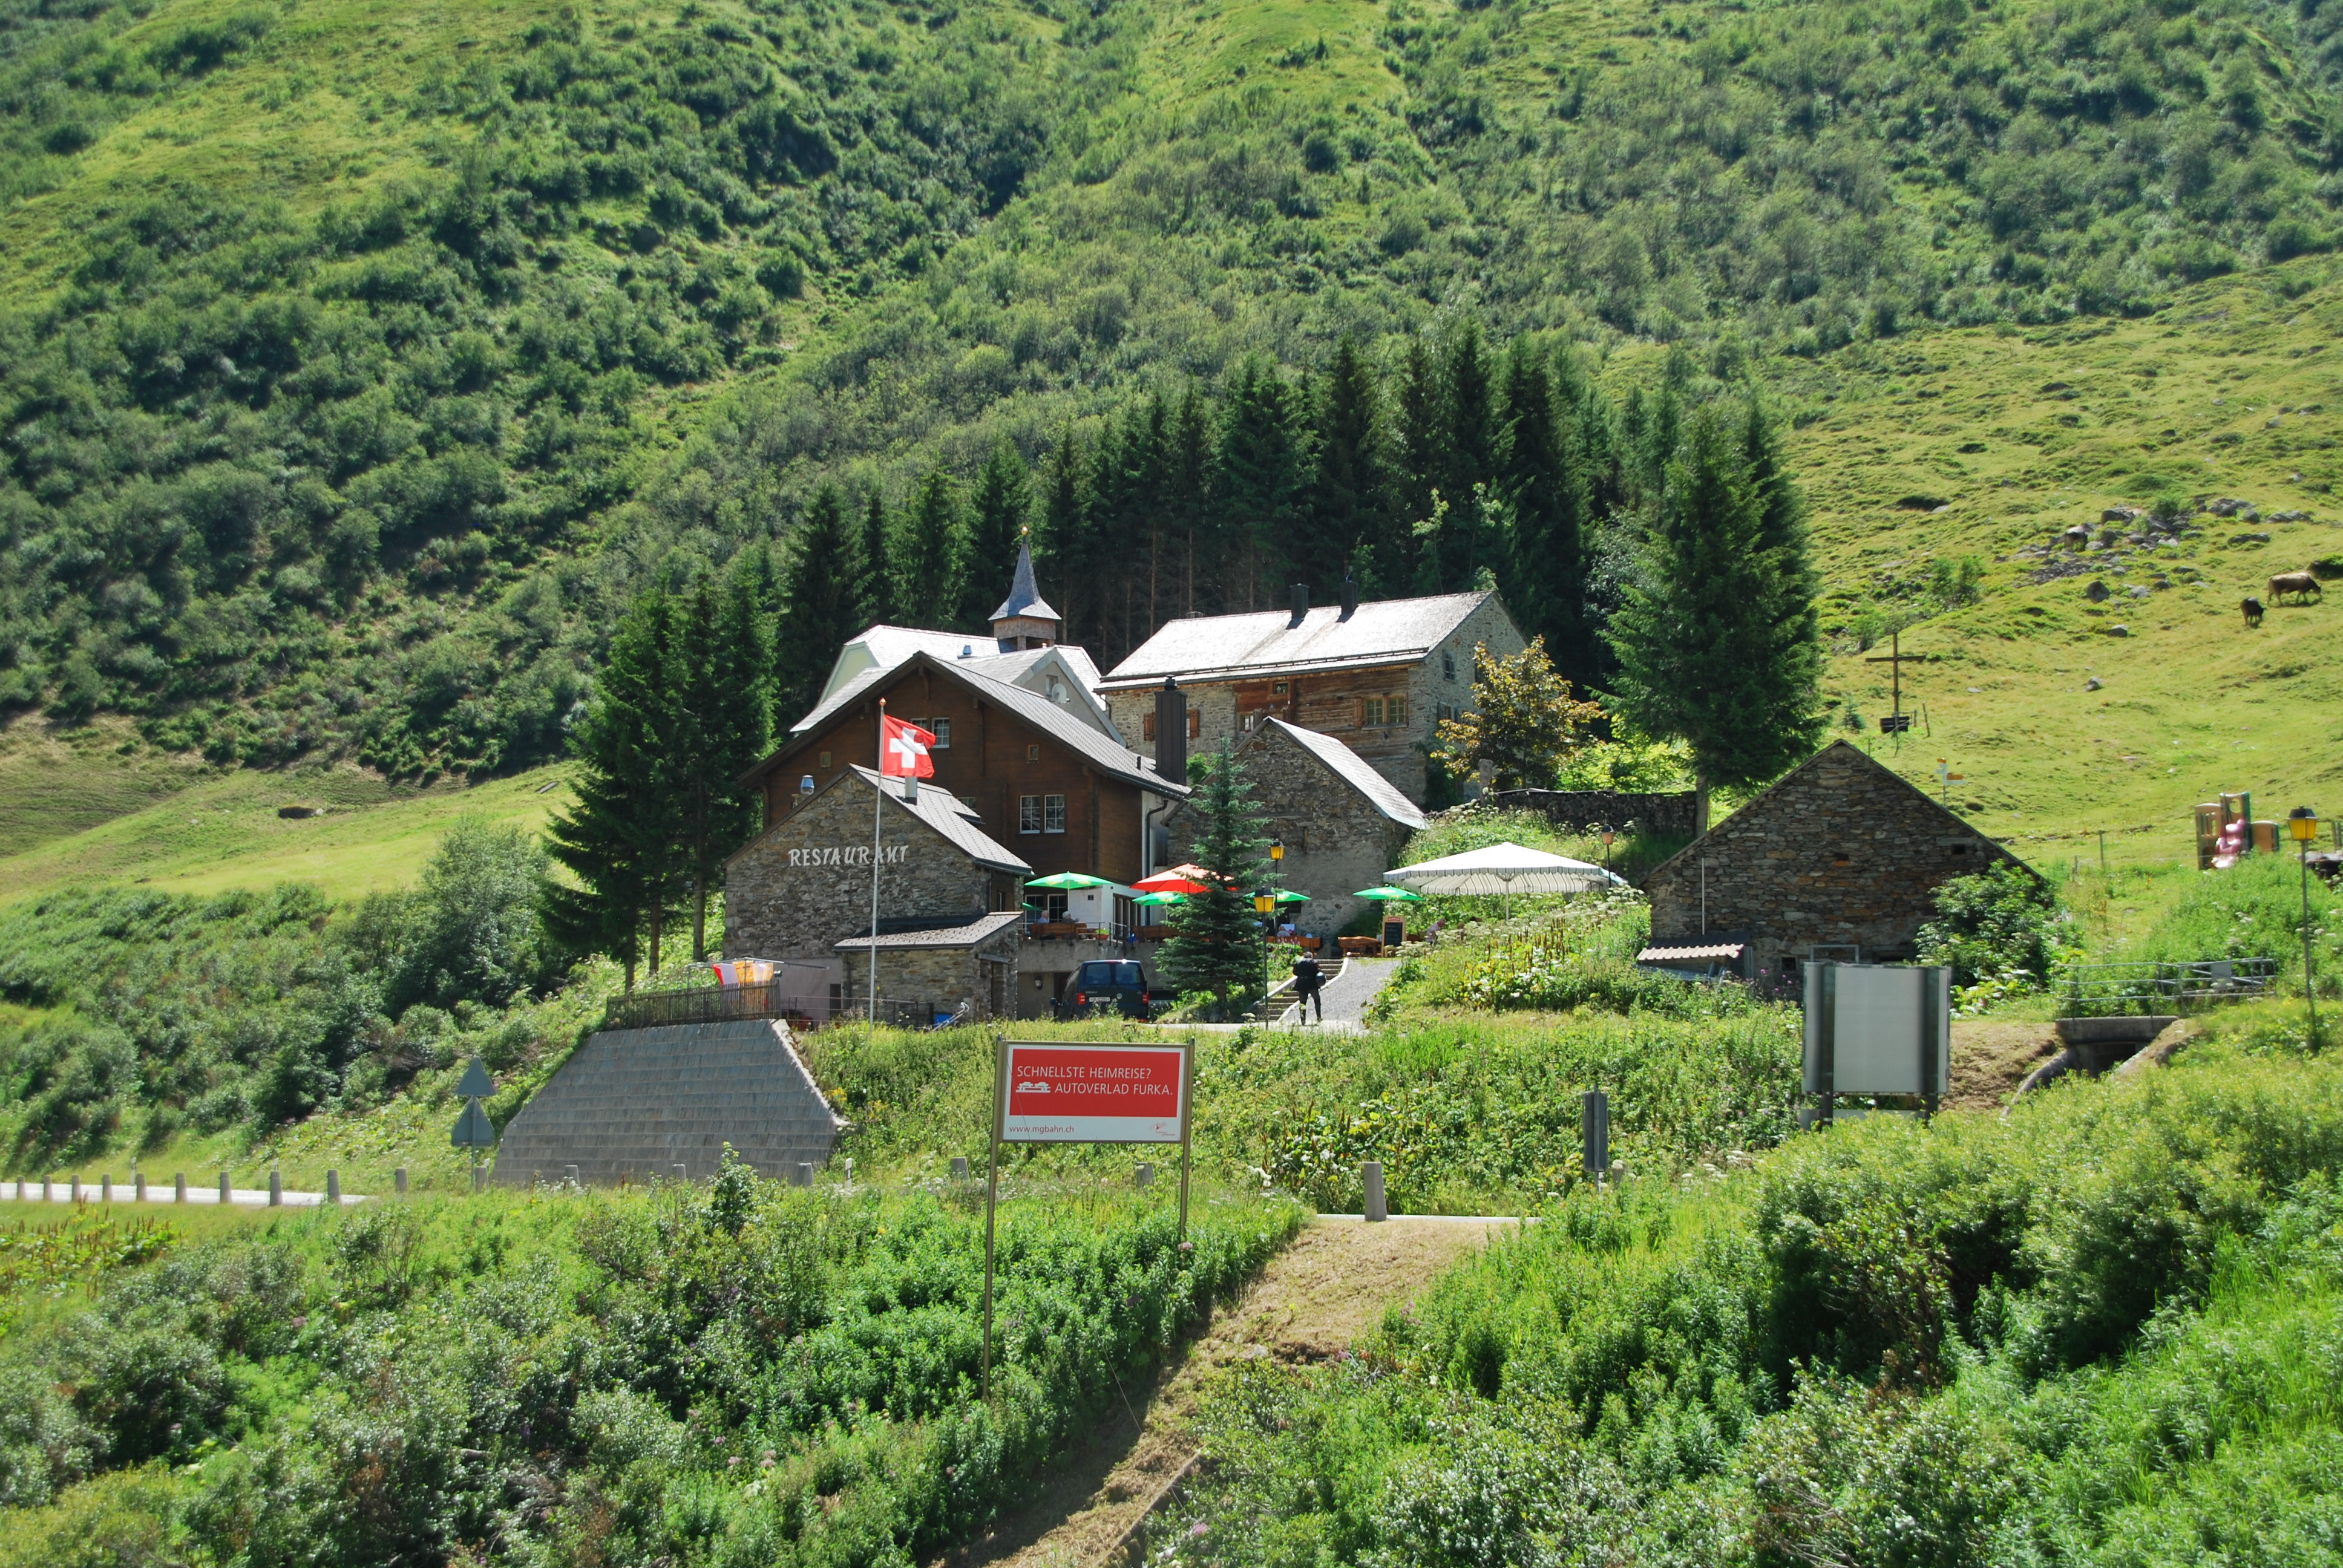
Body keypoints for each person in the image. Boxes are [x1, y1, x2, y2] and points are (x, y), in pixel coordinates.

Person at [1291, 952, 1325, 1024]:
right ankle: (1319, 1017)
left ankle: (1303, 1020)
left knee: (1303, 1003)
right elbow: (1318, 971)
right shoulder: (1314, 962)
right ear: (1311, 956)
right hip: (1312, 984)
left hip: (1302, 985)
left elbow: (1295, 972)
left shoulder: (1298, 963)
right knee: (1317, 1000)